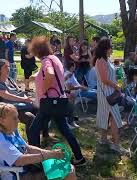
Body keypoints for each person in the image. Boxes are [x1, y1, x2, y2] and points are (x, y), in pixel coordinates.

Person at [28, 36, 86, 166]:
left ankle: (36, 161)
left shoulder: (46, 61)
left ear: (37, 51)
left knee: (33, 130)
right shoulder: (55, 59)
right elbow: (44, 74)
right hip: (59, 101)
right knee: (65, 130)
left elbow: (50, 74)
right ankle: (79, 157)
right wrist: (32, 78)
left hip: (49, 102)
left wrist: (44, 89)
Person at [0, 102, 77, 180]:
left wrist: (50, 153)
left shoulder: (10, 130)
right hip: (16, 175)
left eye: (17, 117)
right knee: (67, 172)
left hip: (26, 168)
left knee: (67, 168)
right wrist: (50, 155)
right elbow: (19, 160)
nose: (18, 121)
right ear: (2, 121)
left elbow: (27, 147)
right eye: (14, 118)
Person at [94, 38, 128, 154]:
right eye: (111, 46)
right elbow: (104, 79)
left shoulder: (106, 60)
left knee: (106, 115)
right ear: (106, 48)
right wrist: (116, 86)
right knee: (114, 117)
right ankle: (116, 145)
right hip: (107, 93)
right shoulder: (101, 61)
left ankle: (103, 139)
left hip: (107, 92)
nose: (112, 48)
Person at [0, 59, 38, 141]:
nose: (8, 69)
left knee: (41, 110)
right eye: (5, 67)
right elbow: (7, 96)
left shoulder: (9, 80)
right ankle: (34, 143)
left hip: (20, 106)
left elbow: (19, 91)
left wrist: (28, 97)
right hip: (9, 110)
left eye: (8, 66)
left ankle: (45, 135)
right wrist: (23, 99)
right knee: (30, 118)